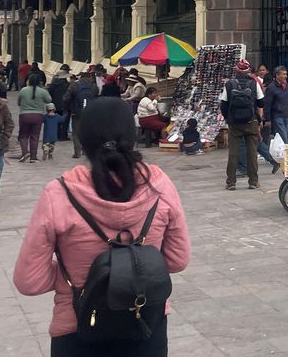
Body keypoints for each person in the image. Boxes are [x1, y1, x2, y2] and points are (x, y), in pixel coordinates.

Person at [13, 98, 191, 356]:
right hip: (145, 323)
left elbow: (29, 281)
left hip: (78, 328)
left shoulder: (60, 193)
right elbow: (177, 261)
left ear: (83, 140)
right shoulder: (159, 187)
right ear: (132, 136)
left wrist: (74, 274)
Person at [219, 59, 265, 190]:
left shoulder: (229, 84)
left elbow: (223, 105)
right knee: (252, 153)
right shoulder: (253, 84)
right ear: (249, 70)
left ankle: (231, 182)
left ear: (236, 71)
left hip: (235, 124)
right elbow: (261, 103)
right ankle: (253, 181)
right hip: (251, 122)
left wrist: (229, 118)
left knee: (233, 153)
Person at [17, 73, 53, 163]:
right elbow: (49, 100)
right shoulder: (42, 91)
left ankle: (25, 152)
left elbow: (18, 103)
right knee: (35, 136)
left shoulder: (23, 90)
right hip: (38, 116)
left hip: (24, 115)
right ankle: (33, 157)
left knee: (23, 135)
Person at [65, 71, 99, 159]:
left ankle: (77, 152)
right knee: (88, 131)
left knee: (76, 132)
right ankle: (86, 150)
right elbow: (96, 96)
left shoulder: (74, 85)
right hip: (90, 112)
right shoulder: (93, 86)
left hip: (76, 112)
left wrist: (70, 105)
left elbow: (66, 97)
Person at [264, 65, 288, 143]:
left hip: (286, 115)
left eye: (286, 74)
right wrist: (267, 119)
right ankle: (286, 153)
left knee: (286, 135)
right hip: (277, 116)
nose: (285, 76)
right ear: (277, 75)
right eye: (283, 74)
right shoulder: (271, 88)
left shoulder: (286, 85)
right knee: (283, 137)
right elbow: (267, 104)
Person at [48, 65, 72, 142]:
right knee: (65, 121)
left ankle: (57, 135)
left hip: (55, 104)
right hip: (65, 105)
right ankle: (63, 136)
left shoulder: (53, 84)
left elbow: (49, 94)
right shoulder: (68, 85)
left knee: (56, 121)